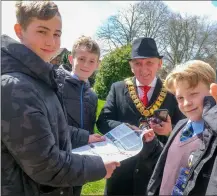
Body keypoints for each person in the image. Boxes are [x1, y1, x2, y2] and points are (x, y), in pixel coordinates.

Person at [1, 1, 120, 196]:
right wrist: (99, 167)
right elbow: (45, 165)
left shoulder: (42, 80)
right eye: (42, 31)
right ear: (19, 30)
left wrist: (87, 138)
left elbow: (57, 129)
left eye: (56, 34)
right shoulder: (16, 86)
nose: (51, 42)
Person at [96, 37, 185, 195]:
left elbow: (185, 130)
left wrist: (170, 131)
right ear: (131, 66)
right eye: (137, 63)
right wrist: (125, 129)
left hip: (155, 173)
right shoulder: (118, 88)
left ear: (159, 64)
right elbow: (103, 121)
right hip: (120, 172)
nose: (143, 69)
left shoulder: (172, 93)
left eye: (149, 62)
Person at [146, 60, 217, 195]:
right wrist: (152, 144)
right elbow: (174, 161)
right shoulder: (181, 125)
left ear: (213, 90)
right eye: (180, 98)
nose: (186, 103)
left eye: (193, 94)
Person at [58, 35, 104, 148]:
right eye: (81, 59)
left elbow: (90, 129)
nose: (86, 65)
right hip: (60, 154)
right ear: (70, 59)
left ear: (97, 65)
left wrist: (93, 138)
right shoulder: (57, 85)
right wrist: (86, 137)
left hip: (85, 155)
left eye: (92, 61)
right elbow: (51, 124)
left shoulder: (92, 96)